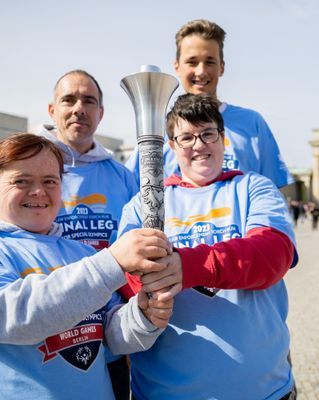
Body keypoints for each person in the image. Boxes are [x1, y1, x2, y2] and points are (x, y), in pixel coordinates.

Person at [119, 94, 298, 400]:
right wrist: (144, 279)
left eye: (207, 134)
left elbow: (273, 255)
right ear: (172, 146)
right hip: (165, 393)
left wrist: (185, 267)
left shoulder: (254, 188)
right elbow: (126, 280)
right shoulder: (142, 206)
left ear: (222, 138)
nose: (199, 145)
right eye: (186, 137)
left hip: (263, 391)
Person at [0, 133, 173, 399]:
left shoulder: (81, 253)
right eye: (21, 181)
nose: (38, 191)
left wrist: (142, 318)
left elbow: (109, 338)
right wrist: (111, 262)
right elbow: (15, 315)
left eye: (50, 181)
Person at [36, 69, 136, 398]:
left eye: (89, 100)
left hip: (110, 336)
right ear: (52, 110)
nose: (79, 107)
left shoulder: (123, 177)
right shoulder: (29, 171)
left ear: (100, 113)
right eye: (69, 99)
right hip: (44, 333)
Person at [125, 19, 293, 192]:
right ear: (177, 67)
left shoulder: (252, 123)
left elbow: (274, 192)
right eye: (192, 62)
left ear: (222, 67)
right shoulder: (156, 131)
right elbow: (128, 187)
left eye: (210, 62)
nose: (201, 71)